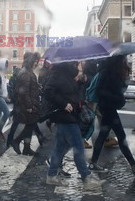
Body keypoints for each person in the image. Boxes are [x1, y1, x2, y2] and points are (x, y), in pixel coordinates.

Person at [44, 61, 105, 189]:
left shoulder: (69, 75)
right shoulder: (57, 74)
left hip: (71, 116)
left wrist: (80, 81)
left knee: (59, 148)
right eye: (76, 64)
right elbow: (48, 92)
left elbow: (72, 92)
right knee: (78, 147)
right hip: (65, 116)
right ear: (68, 64)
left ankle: (51, 175)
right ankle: (86, 178)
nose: (78, 67)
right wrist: (63, 104)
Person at [89, 56, 135, 175]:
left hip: (109, 107)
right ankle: (133, 165)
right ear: (118, 61)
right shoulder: (106, 73)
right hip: (108, 108)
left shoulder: (114, 72)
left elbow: (118, 89)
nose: (125, 61)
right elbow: (100, 91)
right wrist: (117, 98)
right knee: (121, 136)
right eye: (124, 59)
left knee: (104, 136)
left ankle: (93, 163)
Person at [10, 52, 41, 155]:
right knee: (30, 125)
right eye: (35, 62)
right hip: (27, 105)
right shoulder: (26, 73)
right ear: (31, 62)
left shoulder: (28, 71)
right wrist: (29, 106)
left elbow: (30, 88)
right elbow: (24, 92)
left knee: (30, 125)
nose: (36, 64)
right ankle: (16, 141)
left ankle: (26, 148)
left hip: (30, 103)